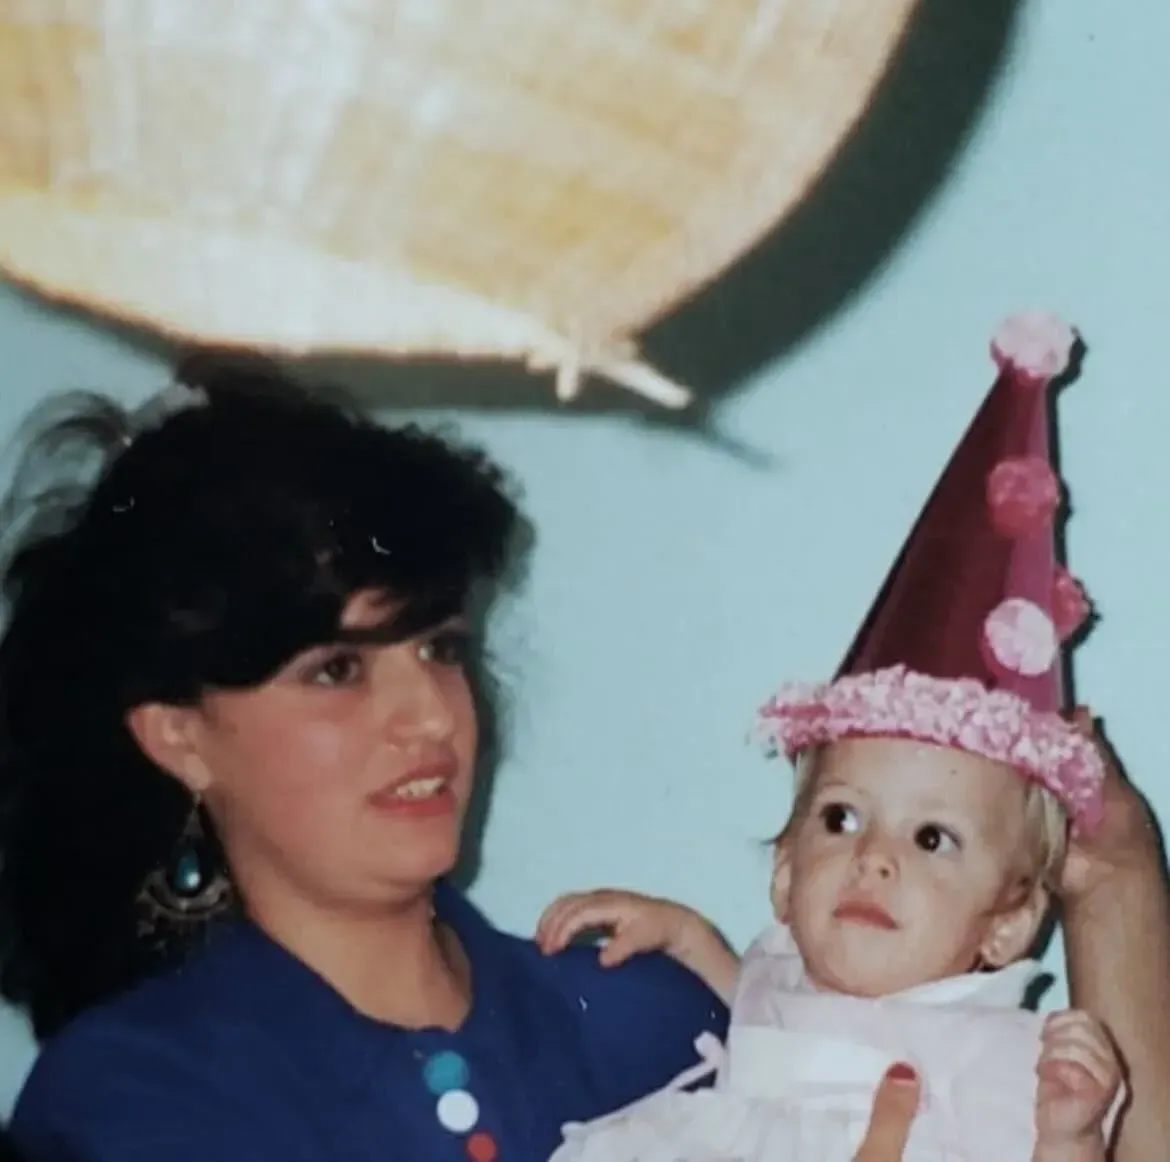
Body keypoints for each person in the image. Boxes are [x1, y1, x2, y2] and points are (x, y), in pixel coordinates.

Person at [0, 356, 921, 1162]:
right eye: (338, 669)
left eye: (440, 648)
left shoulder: (656, 1017)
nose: (430, 717)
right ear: (179, 736)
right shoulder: (134, 1104)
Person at [538, 315, 1170, 1161]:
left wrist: (1069, 1133)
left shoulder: (1010, 1062)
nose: (873, 857)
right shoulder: (789, 967)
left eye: (933, 837)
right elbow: (773, 1031)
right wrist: (691, 939)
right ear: (786, 871)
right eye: (839, 819)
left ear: (1010, 922)